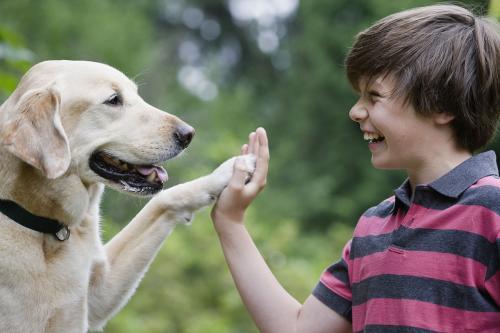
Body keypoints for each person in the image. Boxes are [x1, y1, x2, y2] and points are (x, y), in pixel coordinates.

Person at [210, 4, 500, 332]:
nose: (355, 112)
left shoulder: (492, 211)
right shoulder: (373, 227)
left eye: (374, 96)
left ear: (441, 104)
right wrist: (230, 222)